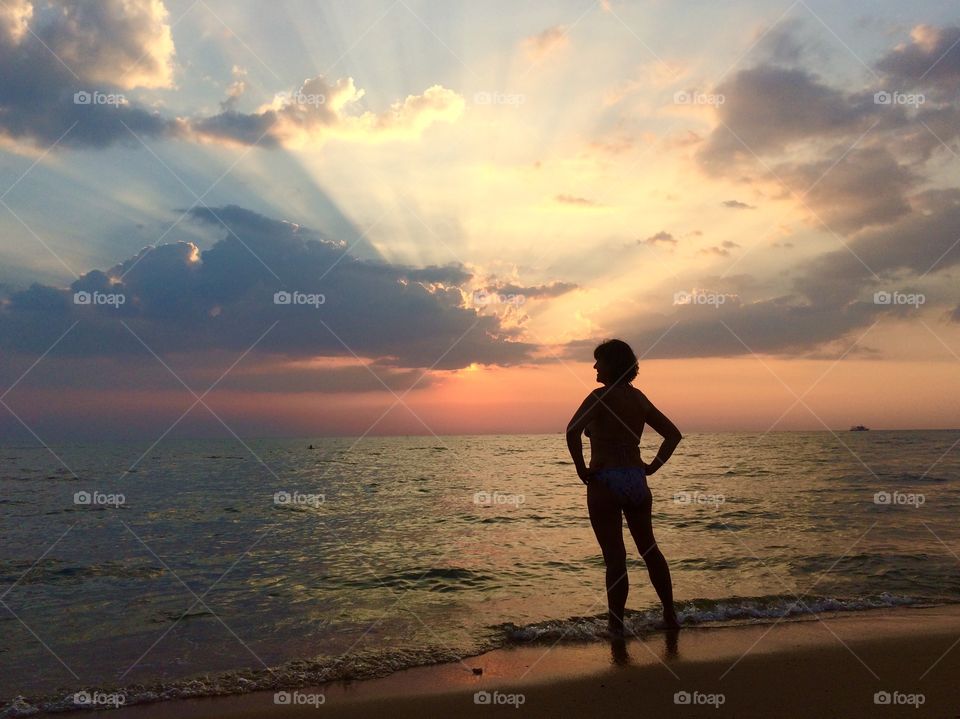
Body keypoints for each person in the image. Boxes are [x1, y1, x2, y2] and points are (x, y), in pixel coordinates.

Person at [566, 339, 682, 635]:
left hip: (605, 479)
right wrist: (652, 467)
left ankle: (616, 625)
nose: (594, 366)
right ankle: (670, 614)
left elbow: (572, 431)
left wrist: (581, 468)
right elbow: (673, 435)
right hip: (635, 479)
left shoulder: (599, 397)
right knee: (650, 549)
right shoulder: (639, 399)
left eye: (599, 361)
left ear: (612, 364)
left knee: (615, 559)